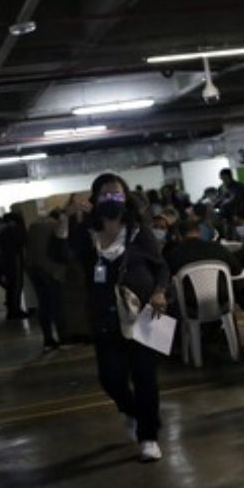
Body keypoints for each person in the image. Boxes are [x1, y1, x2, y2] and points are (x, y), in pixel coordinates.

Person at [69, 173, 171, 462]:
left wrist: (160, 291)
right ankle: (132, 411)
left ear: (125, 198)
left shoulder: (139, 232)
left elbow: (161, 267)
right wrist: (67, 221)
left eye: (117, 194)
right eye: (105, 194)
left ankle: (149, 437)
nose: (112, 199)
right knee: (110, 378)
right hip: (104, 317)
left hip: (144, 314)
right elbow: (60, 254)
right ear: (95, 198)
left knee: (145, 377)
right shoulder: (86, 234)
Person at [26, 209, 68, 351]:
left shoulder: (33, 226)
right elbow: (60, 249)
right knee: (57, 305)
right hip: (50, 270)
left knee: (43, 304)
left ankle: (48, 339)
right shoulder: (56, 226)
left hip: (33, 269)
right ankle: (63, 338)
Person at [0, 212, 30, 320]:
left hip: (6, 261)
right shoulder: (16, 230)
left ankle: (12, 310)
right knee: (17, 286)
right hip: (15, 260)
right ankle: (15, 311)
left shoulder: (3, 231)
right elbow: (24, 244)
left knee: (11, 286)